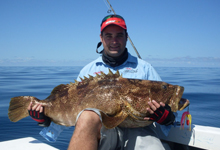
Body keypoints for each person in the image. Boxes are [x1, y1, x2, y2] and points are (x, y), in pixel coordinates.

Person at [28, 14, 175, 150]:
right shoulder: (88, 71)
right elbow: (71, 107)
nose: (114, 41)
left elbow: (167, 106)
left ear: (126, 37)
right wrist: (45, 121)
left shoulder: (145, 68)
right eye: (108, 36)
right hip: (104, 132)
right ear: (101, 38)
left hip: (140, 130)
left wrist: (168, 118)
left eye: (119, 35)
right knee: (86, 116)